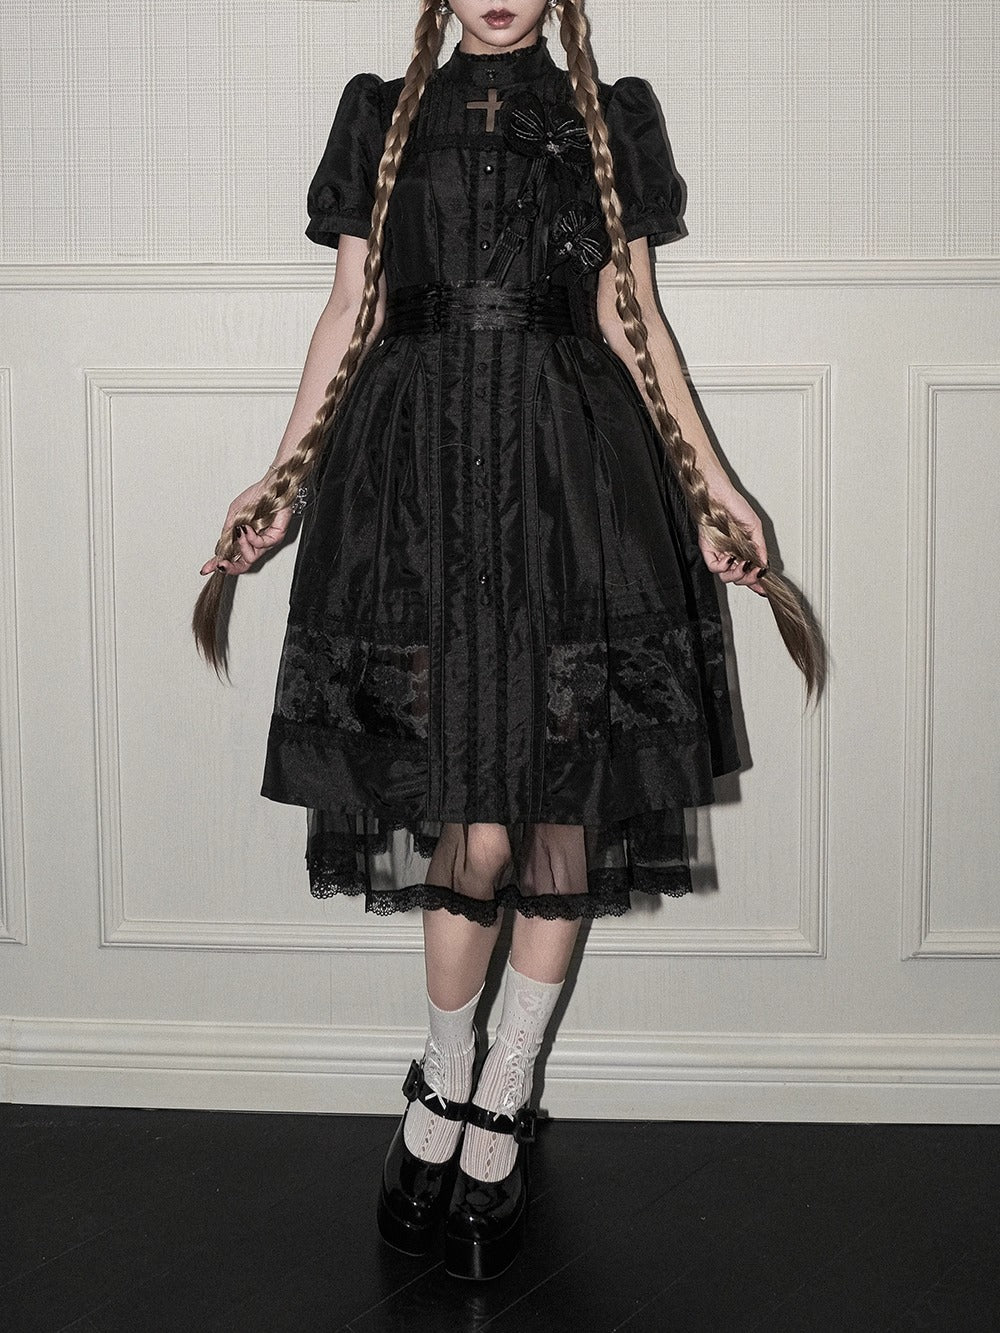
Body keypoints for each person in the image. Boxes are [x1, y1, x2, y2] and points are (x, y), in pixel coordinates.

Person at [193, 0, 824, 1283]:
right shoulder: (381, 112)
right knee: (471, 825)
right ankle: (440, 1081)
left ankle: (502, 1100)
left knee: (558, 809)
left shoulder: (607, 115)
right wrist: (280, 478)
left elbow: (633, 319)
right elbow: (349, 308)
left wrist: (715, 488)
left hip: (571, 484)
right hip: (413, 485)